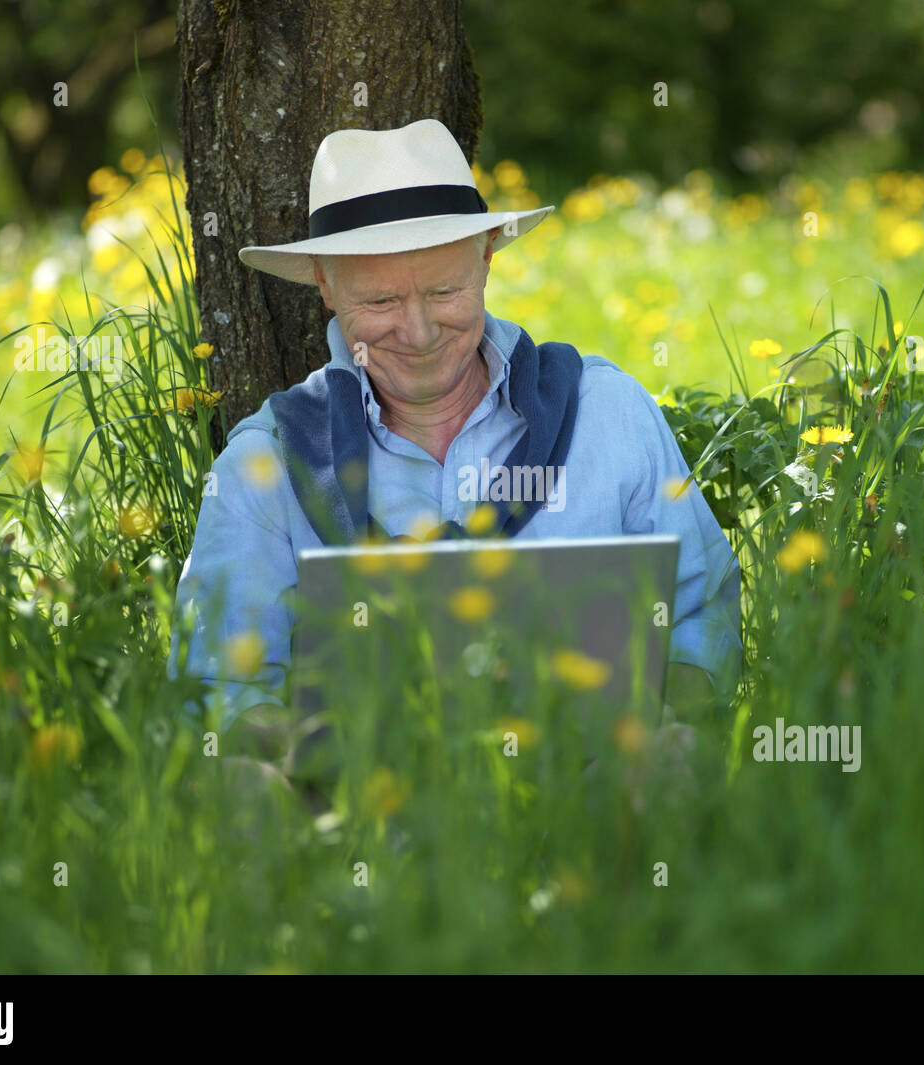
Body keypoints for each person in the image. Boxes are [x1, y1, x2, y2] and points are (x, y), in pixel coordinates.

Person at [168, 119, 742, 782]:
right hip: (355, 834)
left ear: (487, 255)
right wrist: (318, 744)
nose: (418, 332)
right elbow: (214, 692)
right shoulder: (266, 467)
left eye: (444, 291)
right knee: (235, 791)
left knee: (676, 765)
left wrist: (654, 721)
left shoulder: (608, 414)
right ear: (325, 285)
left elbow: (704, 611)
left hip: (594, 804)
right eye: (381, 299)